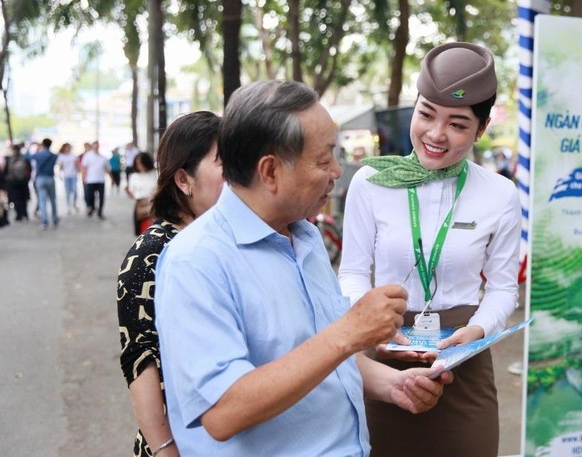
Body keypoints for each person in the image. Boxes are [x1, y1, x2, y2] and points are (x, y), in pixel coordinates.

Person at [154, 80, 452, 456]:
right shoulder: (197, 262)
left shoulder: (306, 238)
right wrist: (349, 332)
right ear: (271, 171)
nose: (338, 171)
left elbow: (321, 360)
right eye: (324, 159)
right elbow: (222, 411)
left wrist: (393, 384)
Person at [338, 42, 520, 457]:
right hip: (382, 350)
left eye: (457, 124)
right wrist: (373, 324)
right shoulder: (371, 182)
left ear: (483, 126)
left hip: (462, 357)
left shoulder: (500, 194)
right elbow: (351, 273)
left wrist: (475, 331)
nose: (436, 135)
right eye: (425, 115)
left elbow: (503, 288)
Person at [117, 111, 224, 457]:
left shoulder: (228, 239)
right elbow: (140, 359)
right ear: (184, 179)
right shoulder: (149, 255)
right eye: (225, 163)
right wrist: (165, 449)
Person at [25, 137, 60, 230]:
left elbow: (27, 157)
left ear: (43, 144)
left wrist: (30, 147)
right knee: (53, 199)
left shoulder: (38, 154)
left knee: (42, 200)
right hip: (50, 178)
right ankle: (54, 218)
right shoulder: (54, 155)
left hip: (40, 178)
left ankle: (44, 221)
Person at [125, 152, 158, 235]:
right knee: (141, 231)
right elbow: (133, 194)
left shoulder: (156, 174)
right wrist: (128, 192)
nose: (140, 166)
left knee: (155, 229)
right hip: (140, 205)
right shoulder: (134, 176)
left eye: (142, 163)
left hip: (154, 204)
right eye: (138, 164)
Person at [81, 141, 109, 219]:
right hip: (90, 180)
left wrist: (112, 178)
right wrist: (83, 178)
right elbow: (84, 168)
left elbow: (107, 168)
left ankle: (100, 212)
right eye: (94, 146)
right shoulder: (87, 156)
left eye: (97, 146)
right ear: (93, 147)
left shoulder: (103, 157)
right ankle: (92, 208)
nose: (96, 147)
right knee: (90, 197)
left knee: (101, 197)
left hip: (100, 180)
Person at [5, 144, 32, 221]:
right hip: (23, 181)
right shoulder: (25, 158)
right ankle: (25, 214)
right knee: (24, 198)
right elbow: (29, 169)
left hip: (13, 182)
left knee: (16, 198)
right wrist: (27, 179)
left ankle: (19, 215)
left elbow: (6, 171)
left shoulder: (10, 159)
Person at [57, 143, 80, 213]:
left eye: (69, 147)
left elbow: (76, 165)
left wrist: (79, 171)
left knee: (75, 191)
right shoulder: (61, 156)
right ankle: (68, 206)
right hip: (66, 176)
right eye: (67, 147)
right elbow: (60, 166)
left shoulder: (73, 156)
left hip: (74, 175)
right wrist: (59, 174)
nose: (68, 148)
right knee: (67, 192)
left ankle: (74, 204)